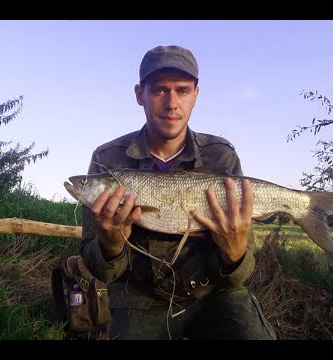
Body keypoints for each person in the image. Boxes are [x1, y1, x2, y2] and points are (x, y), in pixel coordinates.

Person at [80, 45, 276, 340]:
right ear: (139, 94)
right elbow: (100, 270)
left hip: (213, 292)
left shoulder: (220, 155)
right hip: (139, 297)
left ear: (196, 95)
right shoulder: (108, 159)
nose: (172, 103)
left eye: (182, 91)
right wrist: (110, 245)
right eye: (160, 90)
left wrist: (235, 252)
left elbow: (238, 277)